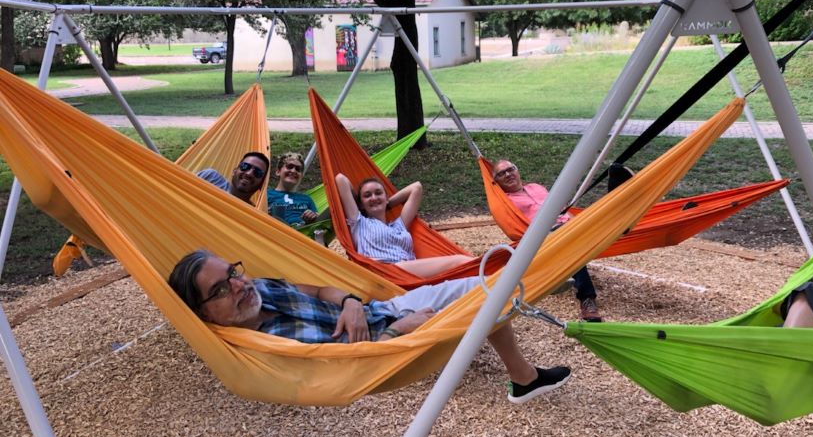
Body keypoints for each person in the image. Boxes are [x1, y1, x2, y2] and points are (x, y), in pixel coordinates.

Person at [168, 250, 572, 403]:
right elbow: (339, 374)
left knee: (489, 288)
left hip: (383, 309)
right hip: (387, 350)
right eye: (220, 289)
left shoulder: (262, 289)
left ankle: (524, 377)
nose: (239, 285)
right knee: (489, 299)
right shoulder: (258, 352)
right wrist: (400, 331)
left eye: (233, 272)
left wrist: (349, 302)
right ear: (203, 314)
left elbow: (320, 289)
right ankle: (526, 373)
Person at [492, 159, 603, 322]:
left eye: (510, 169)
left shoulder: (536, 187)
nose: (508, 174)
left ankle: (623, 199)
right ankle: (587, 299)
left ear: (517, 170)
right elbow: (513, 230)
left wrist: (576, 221)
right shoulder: (504, 202)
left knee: (600, 217)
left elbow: (561, 208)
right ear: (496, 181)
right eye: (501, 173)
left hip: (569, 226)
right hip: (546, 235)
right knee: (569, 243)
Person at [335, 173, 475, 278]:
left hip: (408, 273)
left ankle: (486, 274)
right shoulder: (359, 222)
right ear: (361, 203)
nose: (373, 197)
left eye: (378, 193)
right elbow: (340, 179)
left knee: (464, 277)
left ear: (386, 197)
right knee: (458, 261)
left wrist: (386, 203)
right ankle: (487, 268)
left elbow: (416, 188)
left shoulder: (398, 226)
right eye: (367, 195)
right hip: (385, 271)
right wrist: (362, 205)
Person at [267, 152, 319, 227]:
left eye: (298, 169)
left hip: (301, 231)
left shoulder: (307, 199)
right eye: (289, 167)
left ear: (301, 176)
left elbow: (317, 223)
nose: (293, 171)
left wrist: (313, 216)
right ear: (278, 172)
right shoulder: (266, 195)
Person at [197, 151, 269, 204]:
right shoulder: (209, 177)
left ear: (262, 184)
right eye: (245, 166)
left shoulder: (253, 215)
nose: (249, 174)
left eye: (258, 172)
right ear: (234, 171)